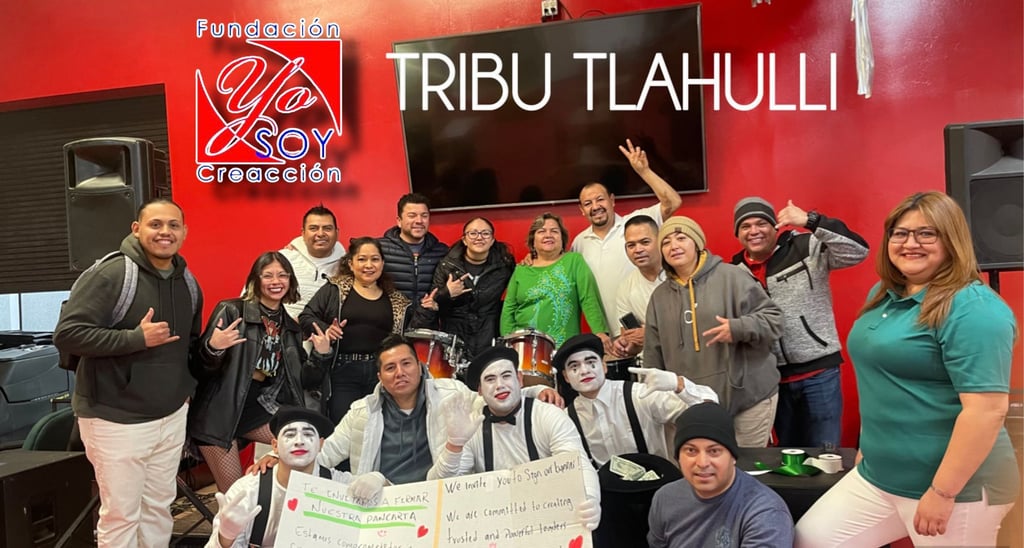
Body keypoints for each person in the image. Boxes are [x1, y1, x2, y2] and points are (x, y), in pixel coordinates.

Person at [794, 191, 1019, 547]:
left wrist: (943, 493)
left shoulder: (973, 309)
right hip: (878, 477)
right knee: (812, 539)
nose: (910, 243)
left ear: (951, 239)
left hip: (958, 489)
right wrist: (868, 446)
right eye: (900, 233)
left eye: (926, 233)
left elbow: (987, 411)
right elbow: (881, 377)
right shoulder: (885, 294)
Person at [53, 198, 203, 547]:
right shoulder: (111, 273)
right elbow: (67, 334)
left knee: (159, 509)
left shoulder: (188, 281)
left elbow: (189, 344)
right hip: (114, 418)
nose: (164, 232)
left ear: (183, 232)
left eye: (173, 225)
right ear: (136, 229)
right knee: (122, 515)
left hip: (169, 416)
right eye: (155, 224)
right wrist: (135, 338)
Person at [251, 334, 561, 485]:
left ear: (419, 365)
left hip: (436, 496)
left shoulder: (451, 393)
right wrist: (278, 455)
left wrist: (537, 390)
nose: (399, 372)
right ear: (380, 378)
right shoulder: (362, 411)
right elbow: (326, 451)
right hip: (381, 500)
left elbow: (494, 397)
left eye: (406, 363)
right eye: (390, 368)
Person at [730, 196, 869, 449]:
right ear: (738, 234)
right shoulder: (734, 271)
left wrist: (811, 221)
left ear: (775, 226)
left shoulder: (807, 247)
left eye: (761, 223)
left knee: (826, 455)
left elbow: (858, 251)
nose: (754, 231)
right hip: (771, 380)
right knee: (787, 458)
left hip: (819, 374)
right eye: (745, 226)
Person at [189, 251, 333, 493]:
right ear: (256, 280)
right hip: (218, 412)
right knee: (236, 495)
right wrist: (214, 348)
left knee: (305, 444)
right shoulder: (232, 311)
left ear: (290, 281)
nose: (275, 281)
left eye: (282, 275)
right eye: (268, 275)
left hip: (257, 408)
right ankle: (228, 531)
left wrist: (321, 354)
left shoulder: (291, 328)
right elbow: (199, 368)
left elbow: (305, 380)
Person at [427, 346, 602, 532]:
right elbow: (438, 487)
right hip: (497, 526)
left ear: (519, 379)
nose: (500, 385)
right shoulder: (472, 426)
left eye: (506, 376)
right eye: (490, 379)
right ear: (479, 390)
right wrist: (454, 445)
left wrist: (590, 497)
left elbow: (578, 464)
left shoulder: (548, 415)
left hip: (550, 519)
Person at [643, 216, 783, 447]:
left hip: (747, 398)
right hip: (691, 405)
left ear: (697, 243)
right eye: (666, 242)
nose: (673, 246)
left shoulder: (731, 276)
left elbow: (775, 321)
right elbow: (653, 352)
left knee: (745, 473)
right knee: (703, 475)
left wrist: (737, 328)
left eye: (681, 238)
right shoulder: (659, 297)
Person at [571, 139, 681, 337]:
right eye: (587, 203)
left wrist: (644, 172)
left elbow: (673, 202)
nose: (595, 206)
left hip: (656, 328)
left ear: (612, 200)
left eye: (600, 199)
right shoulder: (579, 243)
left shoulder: (637, 223)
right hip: (611, 336)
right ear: (581, 210)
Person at [555, 333, 718, 467]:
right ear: (566, 377)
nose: (584, 371)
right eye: (574, 367)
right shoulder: (566, 418)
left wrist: (677, 383)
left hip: (656, 490)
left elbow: (710, 410)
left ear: (604, 367)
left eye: (591, 363)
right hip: (608, 499)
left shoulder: (639, 395)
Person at [648, 402, 794, 547]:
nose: (702, 463)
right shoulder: (664, 498)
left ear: (733, 457)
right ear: (678, 457)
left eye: (714, 451)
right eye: (691, 451)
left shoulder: (766, 513)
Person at [300, 237, 411, 423]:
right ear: (350, 264)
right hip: (342, 371)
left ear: (382, 263)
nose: (369, 265)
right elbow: (306, 317)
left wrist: (431, 306)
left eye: (375, 259)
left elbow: (407, 335)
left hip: (381, 372)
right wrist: (328, 330)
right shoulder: (334, 289)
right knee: (343, 426)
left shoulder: (397, 299)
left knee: (378, 427)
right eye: (362, 259)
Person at [206, 407, 351, 547]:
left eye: (308, 434)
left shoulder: (342, 486)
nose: (299, 441)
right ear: (275, 446)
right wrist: (226, 538)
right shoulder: (247, 491)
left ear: (320, 444)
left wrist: (374, 481)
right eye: (289, 434)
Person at [500, 212, 609, 349]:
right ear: (533, 240)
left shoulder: (574, 261)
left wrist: (599, 332)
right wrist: (508, 343)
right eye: (541, 231)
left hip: (565, 348)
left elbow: (588, 298)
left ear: (562, 238)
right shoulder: (521, 269)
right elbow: (509, 309)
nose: (548, 235)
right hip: (525, 349)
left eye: (554, 231)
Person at [412, 216, 516, 360]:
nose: (479, 238)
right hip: (455, 343)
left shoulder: (504, 266)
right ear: (464, 239)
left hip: (489, 339)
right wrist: (447, 293)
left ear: (492, 240)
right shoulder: (446, 266)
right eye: (473, 233)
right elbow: (432, 303)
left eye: (485, 233)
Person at [378, 192, 449, 308]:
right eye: (412, 216)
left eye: (424, 216)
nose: (419, 221)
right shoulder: (379, 249)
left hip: (427, 322)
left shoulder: (442, 252)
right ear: (399, 221)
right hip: (389, 322)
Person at [279, 204, 346, 320]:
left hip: (325, 334)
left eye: (327, 228)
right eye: (313, 228)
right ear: (303, 233)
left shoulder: (348, 266)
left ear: (337, 233)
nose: (320, 234)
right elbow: (253, 298)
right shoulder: (282, 259)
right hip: (283, 334)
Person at [612, 214, 665, 357]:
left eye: (645, 242)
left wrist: (650, 334)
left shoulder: (680, 275)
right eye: (631, 245)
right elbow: (630, 336)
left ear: (660, 241)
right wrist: (626, 345)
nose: (638, 250)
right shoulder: (625, 288)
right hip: (650, 366)